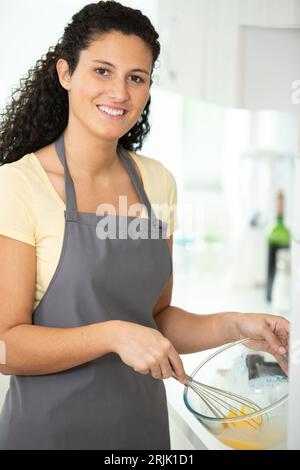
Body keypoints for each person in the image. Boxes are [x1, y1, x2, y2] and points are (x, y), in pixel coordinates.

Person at [0, 1, 289, 450]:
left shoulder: (156, 182)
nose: (119, 92)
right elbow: (6, 346)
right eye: (101, 71)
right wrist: (113, 334)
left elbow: (157, 319)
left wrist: (235, 324)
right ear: (65, 74)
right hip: (48, 434)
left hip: (142, 433)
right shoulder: (18, 185)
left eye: (136, 78)